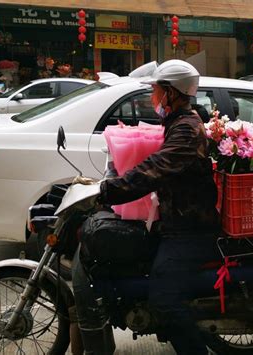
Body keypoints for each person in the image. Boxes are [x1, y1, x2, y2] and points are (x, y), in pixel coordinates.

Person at [72, 59, 220, 354]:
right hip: (174, 220)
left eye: (156, 91)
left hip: (190, 230)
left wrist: (107, 191)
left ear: (172, 93)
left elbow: (155, 169)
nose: (153, 97)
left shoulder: (187, 131)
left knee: (164, 298)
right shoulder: (176, 123)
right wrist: (111, 175)